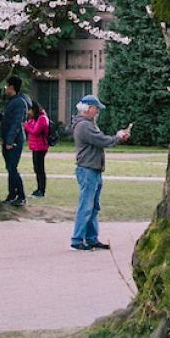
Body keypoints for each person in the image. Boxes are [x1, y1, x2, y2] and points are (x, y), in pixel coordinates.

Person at [70, 95, 131, 250]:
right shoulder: (85, 126)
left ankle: (91, 238)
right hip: (88, 169)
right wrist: (117, 137)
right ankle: (77, 240)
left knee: (93, 206)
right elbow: (102, 141)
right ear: (88, 108)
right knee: (86, 205)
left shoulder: (87, 124)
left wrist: (117, 137)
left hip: (93, 169)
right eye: (96, 109)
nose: (97, 112)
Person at [1, 75, 28, 207]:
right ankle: (12, 194)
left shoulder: (19, 102)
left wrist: (10, 141)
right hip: (8, 139)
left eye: (7, 86)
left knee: (12, 168)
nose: (5, 89)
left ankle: (21, 196)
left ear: (11, 87)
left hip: (14, 141)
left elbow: (17, 123)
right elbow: (7, 119)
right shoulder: (12, 102)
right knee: (10, 168)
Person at [24, 99, 51, 198]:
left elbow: (35, 131)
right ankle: (38, 189)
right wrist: (28, 125)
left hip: (41, 147)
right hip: (35, 147)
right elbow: (31, 127)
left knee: (40, 168)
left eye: (29, 110)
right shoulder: (34, 119)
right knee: (36, 168)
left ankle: (41, 190)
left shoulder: (42, 118)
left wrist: (26, 126)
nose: (28, 112)